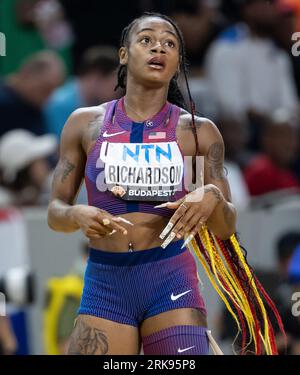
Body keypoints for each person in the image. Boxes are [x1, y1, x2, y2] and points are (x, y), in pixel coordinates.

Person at [48, 13, 283, 355]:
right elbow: (56, 210)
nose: (158, 46)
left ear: (177, 64)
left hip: (170, 279)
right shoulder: (85, 124)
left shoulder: (197, 133)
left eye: (169, 43)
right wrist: (76, 215)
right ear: (124, 55)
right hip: (106, 282)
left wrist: (213, 195)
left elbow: (226, 226)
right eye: (146, 40)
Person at [44, 46, 120, 139]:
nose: (117, 90)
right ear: (95, 77)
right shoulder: (60, 105)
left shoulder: (94, 103)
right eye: (115, 84)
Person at [0, 51, 65, 137]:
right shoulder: (4, 102)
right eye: (45, 89)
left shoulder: (35, 107)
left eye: (53, 91)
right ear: (26, 75)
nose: (49, 98)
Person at [0, 129, 57, 206]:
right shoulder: (5, 203)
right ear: (25, 171)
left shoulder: (51, 189)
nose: (45, 165)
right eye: (37, 160)